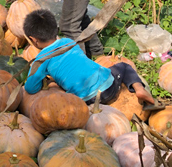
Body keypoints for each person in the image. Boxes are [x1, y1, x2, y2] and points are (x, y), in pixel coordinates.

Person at [23, 9, 158, 110]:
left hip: (84, 101)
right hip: (109, 86)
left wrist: (43, 80)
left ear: (33, 40)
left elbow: (30, 88)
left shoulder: (40, 60)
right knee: (123, 66)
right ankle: (139, 88)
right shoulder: (68, 42)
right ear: (55, 28)